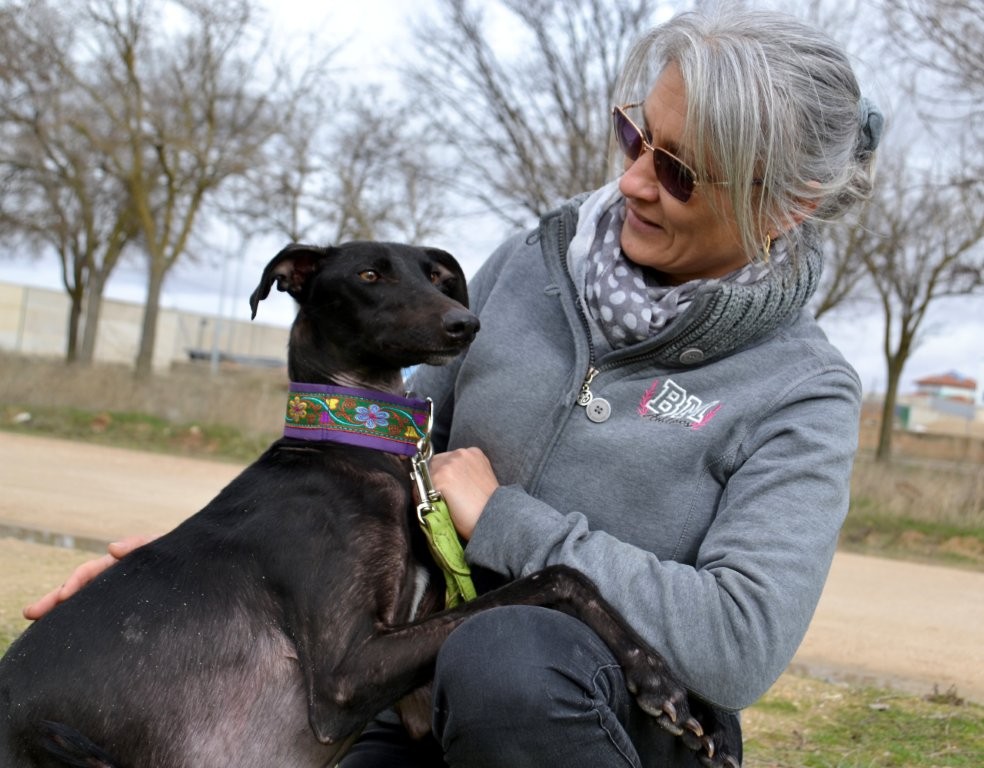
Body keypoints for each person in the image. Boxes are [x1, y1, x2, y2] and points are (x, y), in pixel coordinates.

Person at [25, 8, 883, 767]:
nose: (631, 181)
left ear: (790, 203)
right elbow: (373, 456)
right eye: (634, 137)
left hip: (601, 720)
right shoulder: (528, 267)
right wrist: (205, 568)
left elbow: (738, 643)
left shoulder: (801, 390)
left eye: (681, 172)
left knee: (507, 653)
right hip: (408, 699)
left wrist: (507, 520)